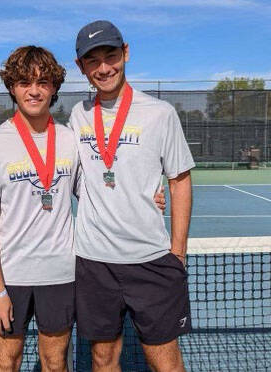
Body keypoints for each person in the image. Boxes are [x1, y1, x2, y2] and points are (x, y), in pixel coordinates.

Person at [69, 20, 195, 372]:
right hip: (94, 262)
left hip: (151, 259)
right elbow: (72, 176)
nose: (104, 68)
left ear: (126, 53)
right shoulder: (77, 116)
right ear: (81, 67)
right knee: (102, 358)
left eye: (111, 56)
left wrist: (178, 252)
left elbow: (180, 180)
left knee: (165, 361)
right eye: (93, 61)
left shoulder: (161, 114)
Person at [0, 45, 78, 372]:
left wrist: (150, 196)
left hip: (61, 274)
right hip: (10, 278)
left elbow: (96, 194)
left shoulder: (71, 140)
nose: (34, 91)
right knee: (6, 362)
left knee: (55, 362)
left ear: (54, 87)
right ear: (12, 88)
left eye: (42, 82)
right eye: (24, 83)